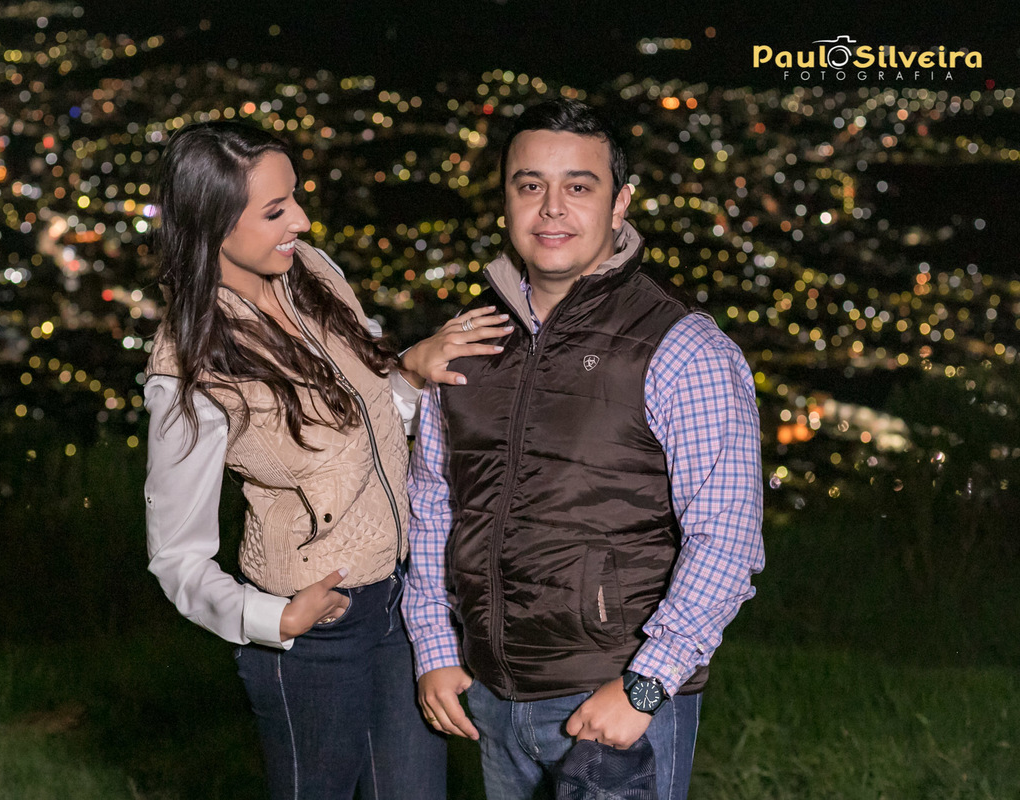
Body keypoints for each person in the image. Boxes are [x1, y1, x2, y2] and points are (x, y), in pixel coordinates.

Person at [402, 98, 766, 800]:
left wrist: (645, 684)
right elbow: (433, 504)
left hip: (614, 701)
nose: (551, 209)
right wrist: (436, 650)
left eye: (579, 186)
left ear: (620, 202)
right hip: (492, 699)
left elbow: (727, 535)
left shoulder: (680, 346)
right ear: (505, 198)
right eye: (530, 185)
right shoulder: (467, 340)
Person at [141, 120, 511, 800]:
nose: (302, 221)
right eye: (277, 211)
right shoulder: (188, 369)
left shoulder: (315, 274)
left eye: (296, 199)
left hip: (402, 604)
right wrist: (269, 620)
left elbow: (368, 424)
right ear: (214, 225)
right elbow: (176, 555)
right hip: (315, 631)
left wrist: (412, 371)